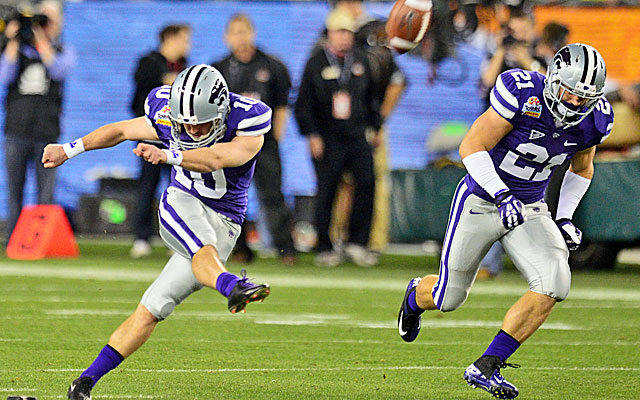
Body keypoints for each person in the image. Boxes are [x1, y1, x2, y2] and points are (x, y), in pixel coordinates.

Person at [41, 65, 271, 400]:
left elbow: (217, 158)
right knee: (200, 245)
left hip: (226, 222)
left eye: (201, 122)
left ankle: (84, 383)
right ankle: (232, 285)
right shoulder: (165, 110)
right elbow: (121, 131)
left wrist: (169, 154)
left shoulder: (248, 118)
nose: (192, 129)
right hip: (182, 201)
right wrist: (69, 149)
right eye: (185, 122)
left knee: (154, 307)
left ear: (221, 111)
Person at [397, 43, 613, 399]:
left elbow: (582, 166)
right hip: (482, 200)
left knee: (555, 281)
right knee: (449, 297)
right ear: (553, 80)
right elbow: (471, 146)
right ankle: (414, 295)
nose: (575, 104)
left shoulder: (594, 119)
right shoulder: (521, 92)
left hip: (529, 207)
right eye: (570, 94)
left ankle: (487, 366)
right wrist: (501, 194)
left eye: (584, 98)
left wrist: (564, 216)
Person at [294, 9, 381, 267]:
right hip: (327, 137)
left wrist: (375, 127)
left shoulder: (362, 60)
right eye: (340, 32)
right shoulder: (316, 63)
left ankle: (357, 243)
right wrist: (312, 135)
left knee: (367, 183)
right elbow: (304, 103)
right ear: (329, 33)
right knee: (327, 190)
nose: (345, 37)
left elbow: (371, 98)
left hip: (357, 136)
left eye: (349, 32)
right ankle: (324, 246)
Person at [212, 13, 296, 265]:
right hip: (230, 145)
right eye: (235, 32)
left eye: (244, 31)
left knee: (272, 195)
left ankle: (286, 248)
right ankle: (239, 249)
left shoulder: (272, 65)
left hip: (263, 142)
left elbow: (282, 104)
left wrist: (277, 135)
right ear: (227, 38)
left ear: (253, 33)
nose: (240, 37)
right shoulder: (218, 69)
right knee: (230, 197)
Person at [0, 0, 75, 245]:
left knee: (46, 191)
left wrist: (42, 40)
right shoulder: (16, 50)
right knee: (15, 190)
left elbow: (59, 71)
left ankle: (41, 240)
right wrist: (12, 39)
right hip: (16, 130)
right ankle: (13, 240)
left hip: (46, 131)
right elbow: (5, 76)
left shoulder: (63, 50)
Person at [129, 23, 191, 258]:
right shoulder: (149, 63)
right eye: (184, 39)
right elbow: (137, 100)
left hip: (176, 140)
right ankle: (142, 237)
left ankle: (175, 238)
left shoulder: (184, 67)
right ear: (170, 38)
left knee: (179, 189)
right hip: (151, 136)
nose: (187, 45)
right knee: (147, 186)